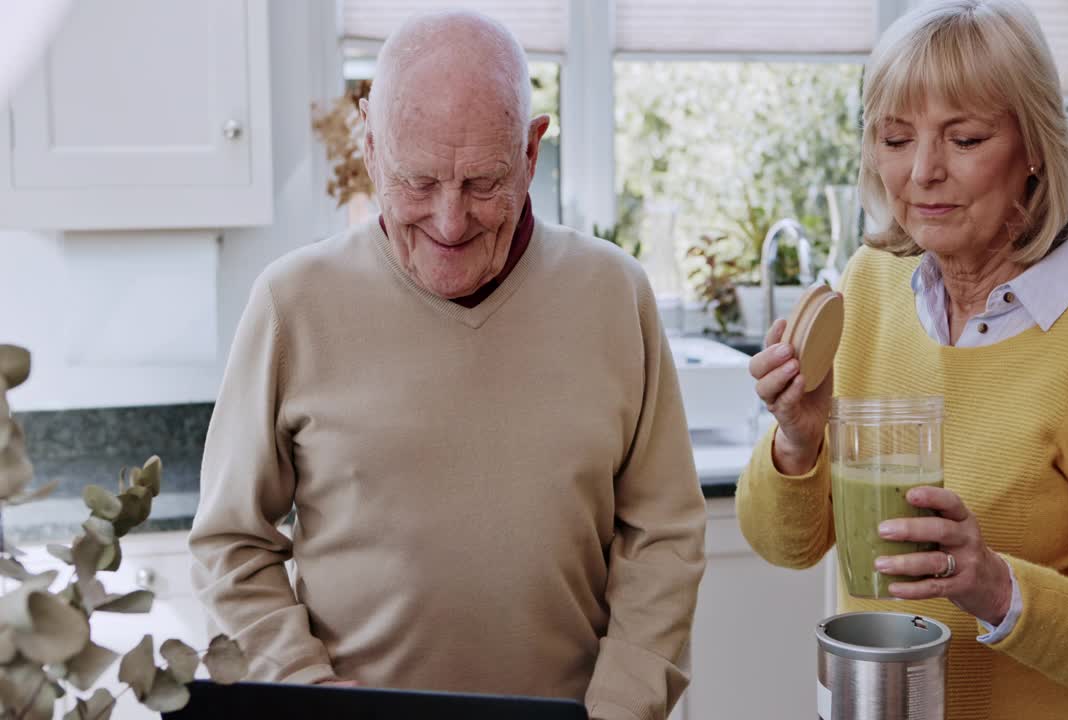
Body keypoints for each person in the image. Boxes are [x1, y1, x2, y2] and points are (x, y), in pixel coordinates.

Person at [188, 11, 706, 720]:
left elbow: (665, 535)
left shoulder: (615, 294)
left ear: (531, 153)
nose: (450, 220)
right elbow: (230, 540)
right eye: (418, 180)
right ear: (369, 147)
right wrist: (300, 687)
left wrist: (620, 707)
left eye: (484, 182)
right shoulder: (292, 302)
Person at [736, 1, 1068, 718]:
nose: (923, 172)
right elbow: (786, 547)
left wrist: (995, 587)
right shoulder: (872, 286)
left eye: (963, 139)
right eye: (896, 139)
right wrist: (799, 440)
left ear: (1033, 146)